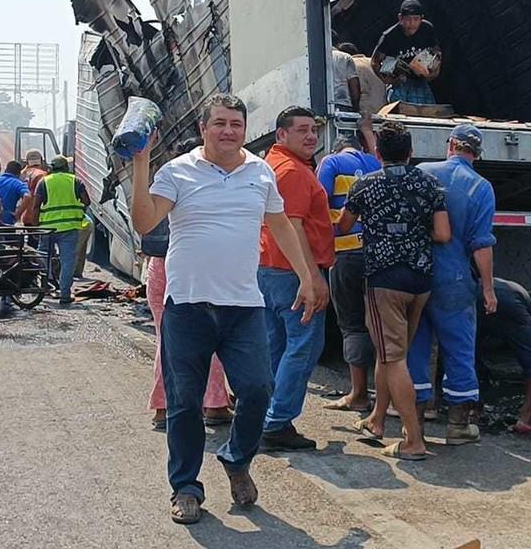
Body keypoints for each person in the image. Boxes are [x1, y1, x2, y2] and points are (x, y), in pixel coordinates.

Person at [130, 93, 326, 524]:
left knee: (258, 390)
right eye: (219, 123)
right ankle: (185, 488)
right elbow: (144, 222)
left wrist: (308, 277)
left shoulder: (260, 172)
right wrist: (140, 162)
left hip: (243, 307)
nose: (228, 131)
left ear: (244, 129)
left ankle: (237, 458)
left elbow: (280, 225)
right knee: (184, 403)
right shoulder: (177, 170)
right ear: (204, 128)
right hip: (187, 306)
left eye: (235, 124)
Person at [337, 122, 450, 461]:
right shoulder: (430, 183)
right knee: (390, 353)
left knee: (391, 356)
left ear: (377, 154)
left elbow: (343, 226)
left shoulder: (365, 185)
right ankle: (376, 420)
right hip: (421, 280)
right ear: (411, 152)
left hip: (384, 280)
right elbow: (443, 234)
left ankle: (413, 440)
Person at [408, 124, 497, 445]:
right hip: (455, 280)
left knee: (416, 344)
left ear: (452, 145)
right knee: (459, 347)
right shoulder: (481, 187)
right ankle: (458, 424)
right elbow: (481, 244)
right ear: (476, 153)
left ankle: (414, 423)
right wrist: (487, 288)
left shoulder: (422, 171)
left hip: (415, 276)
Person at [257, 106, 335, 451]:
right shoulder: (292, 172)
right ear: (282, 135)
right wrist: (312, 277)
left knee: (277, 346)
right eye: (302, 130)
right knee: (304, 346)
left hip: (270, 269)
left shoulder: (271, 164)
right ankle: (277, 422)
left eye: (313, 130)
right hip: (291, 272)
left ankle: (266, 415)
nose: (311, 136)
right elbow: (294, 225)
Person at [143, 216, 234, 430]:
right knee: (209, 337)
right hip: (193, 269)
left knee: (165, 341)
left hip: (158, 267)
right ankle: (214, 404)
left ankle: (163, 408)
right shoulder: (206, 195)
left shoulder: (163, 191)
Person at [317, 135, 382, 413]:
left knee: (352, 324)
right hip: (378, 255)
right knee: (380, 325)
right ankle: (385, 395)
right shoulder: (374, 163)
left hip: (344, 254)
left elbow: (318, 204)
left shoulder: (330, 162)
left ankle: (358, 395)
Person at [477, 278, 531, 436]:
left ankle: (470, 411)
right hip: (510, 302)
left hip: (477, 292)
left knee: (469, 351)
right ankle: (525, 419)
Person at [25, 156, 90, 306]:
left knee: (43, 258)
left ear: (51, 167)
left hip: (47, 228)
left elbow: (36, 206)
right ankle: (65, 294)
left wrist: (35, 227)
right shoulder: (75, 181)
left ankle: (45, 288)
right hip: (69, 228)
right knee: (67, 261)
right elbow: (87, 201)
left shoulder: (44, 182)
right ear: (66, 167)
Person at [371, 0, 442, 105]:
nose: (412, 23)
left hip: (420, 81)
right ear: (400, 18)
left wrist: (434, 70)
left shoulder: (427, 29)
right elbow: (374, 61)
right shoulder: (390, 36)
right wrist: (388, 80)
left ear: (421, 19)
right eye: (408, 19)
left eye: (416, 19)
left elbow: (437, 51)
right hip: (400, 82)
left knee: (427, 112)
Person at [337, 42, 387, 155]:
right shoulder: (374, 63)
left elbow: (356, 91)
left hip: (364, 116)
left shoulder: (352, 64)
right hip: (381, 114)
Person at [0, 160, 31, 226]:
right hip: (6, 221)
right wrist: (18, 214)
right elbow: (27, 196)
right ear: (19, 173)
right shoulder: (18, 184)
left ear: (6, 170)